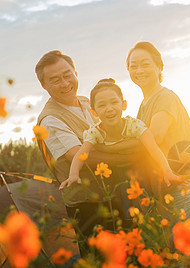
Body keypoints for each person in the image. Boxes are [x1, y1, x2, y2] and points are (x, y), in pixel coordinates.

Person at [35, 50, 141, 252]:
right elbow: (81, 155)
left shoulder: (86, 101)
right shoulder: (49, 119)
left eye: (67, 75)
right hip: (87, 206)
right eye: (55, 80)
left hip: (114, 192)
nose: (65, 83)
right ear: (44, 85)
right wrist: (130, 157)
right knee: (101, 259)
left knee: (130, 253)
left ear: (75, 72)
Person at [126, 41, 190, 228]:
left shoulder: (165, 97)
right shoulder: (144, 105)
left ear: (159, 67)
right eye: (133, 66)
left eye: (145, 64)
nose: (139, 70)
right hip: (169, 185)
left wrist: (111, 149)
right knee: (178, 252)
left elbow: (154, 138)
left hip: (185, 182)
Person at [59, 78, 184, 191]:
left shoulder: (134, 126)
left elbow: (153, 149)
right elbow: (81, 155)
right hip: (114, 175)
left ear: (124, 105)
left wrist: (167, 171)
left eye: (114, 102)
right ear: (94, 112)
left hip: (140, 171)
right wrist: (73, 175)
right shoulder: (95, 132)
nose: (109, 109)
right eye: (102, 105)